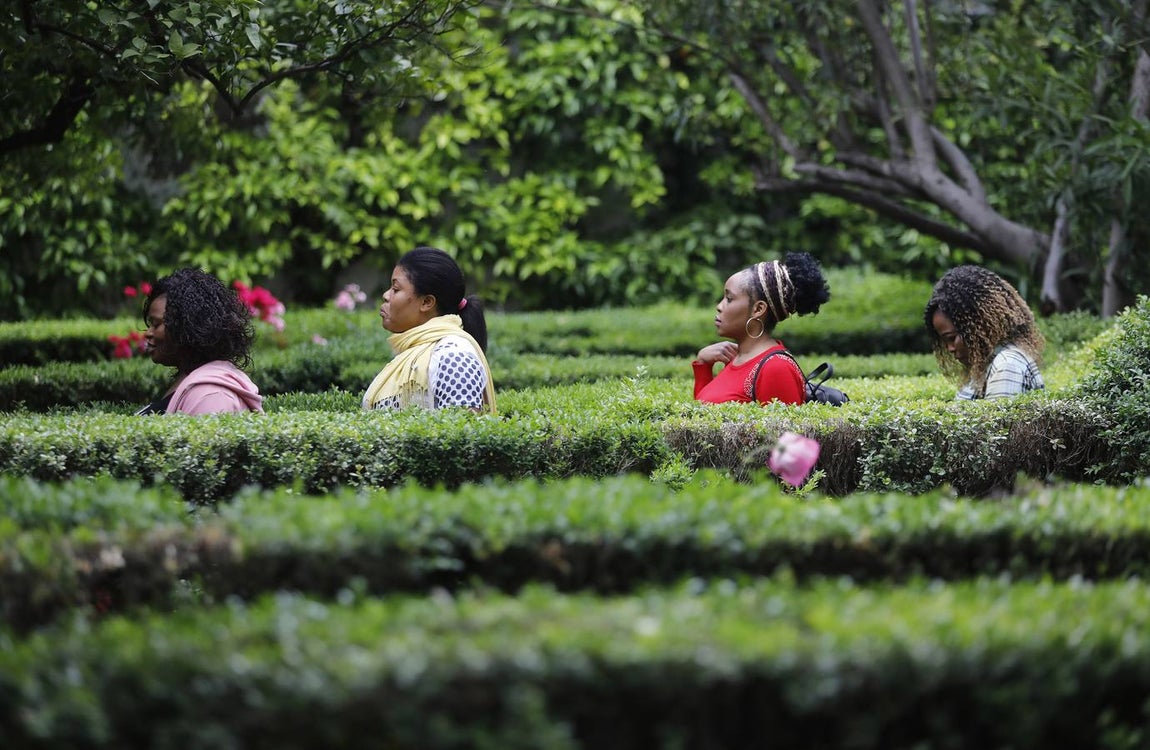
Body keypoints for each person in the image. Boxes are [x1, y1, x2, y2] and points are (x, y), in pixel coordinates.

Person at [362, 246, 496, 414]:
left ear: (426, 302)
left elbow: (464, 435)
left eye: (396, 289)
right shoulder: (416, 352)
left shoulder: (453, 355)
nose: (386, 295)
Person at [693, 252, 831, 405]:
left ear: (758, 309)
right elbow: (701, 412)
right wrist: (703, 365)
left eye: (729, 299)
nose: (719, 306)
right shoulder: (736, 358)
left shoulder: (776, 368)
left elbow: (783, 429)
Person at [137, 267, 264, 415]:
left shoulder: (211, 396)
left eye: (156, 324)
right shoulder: (190, 379)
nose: (148, 333)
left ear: (188, 327)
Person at [924, 264, 1045, 400]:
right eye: (944, 341)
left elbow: (1000, 421)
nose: (950, 348)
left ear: (978, 326)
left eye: (951, 338)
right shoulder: (987, 366)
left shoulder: (1006, 366)